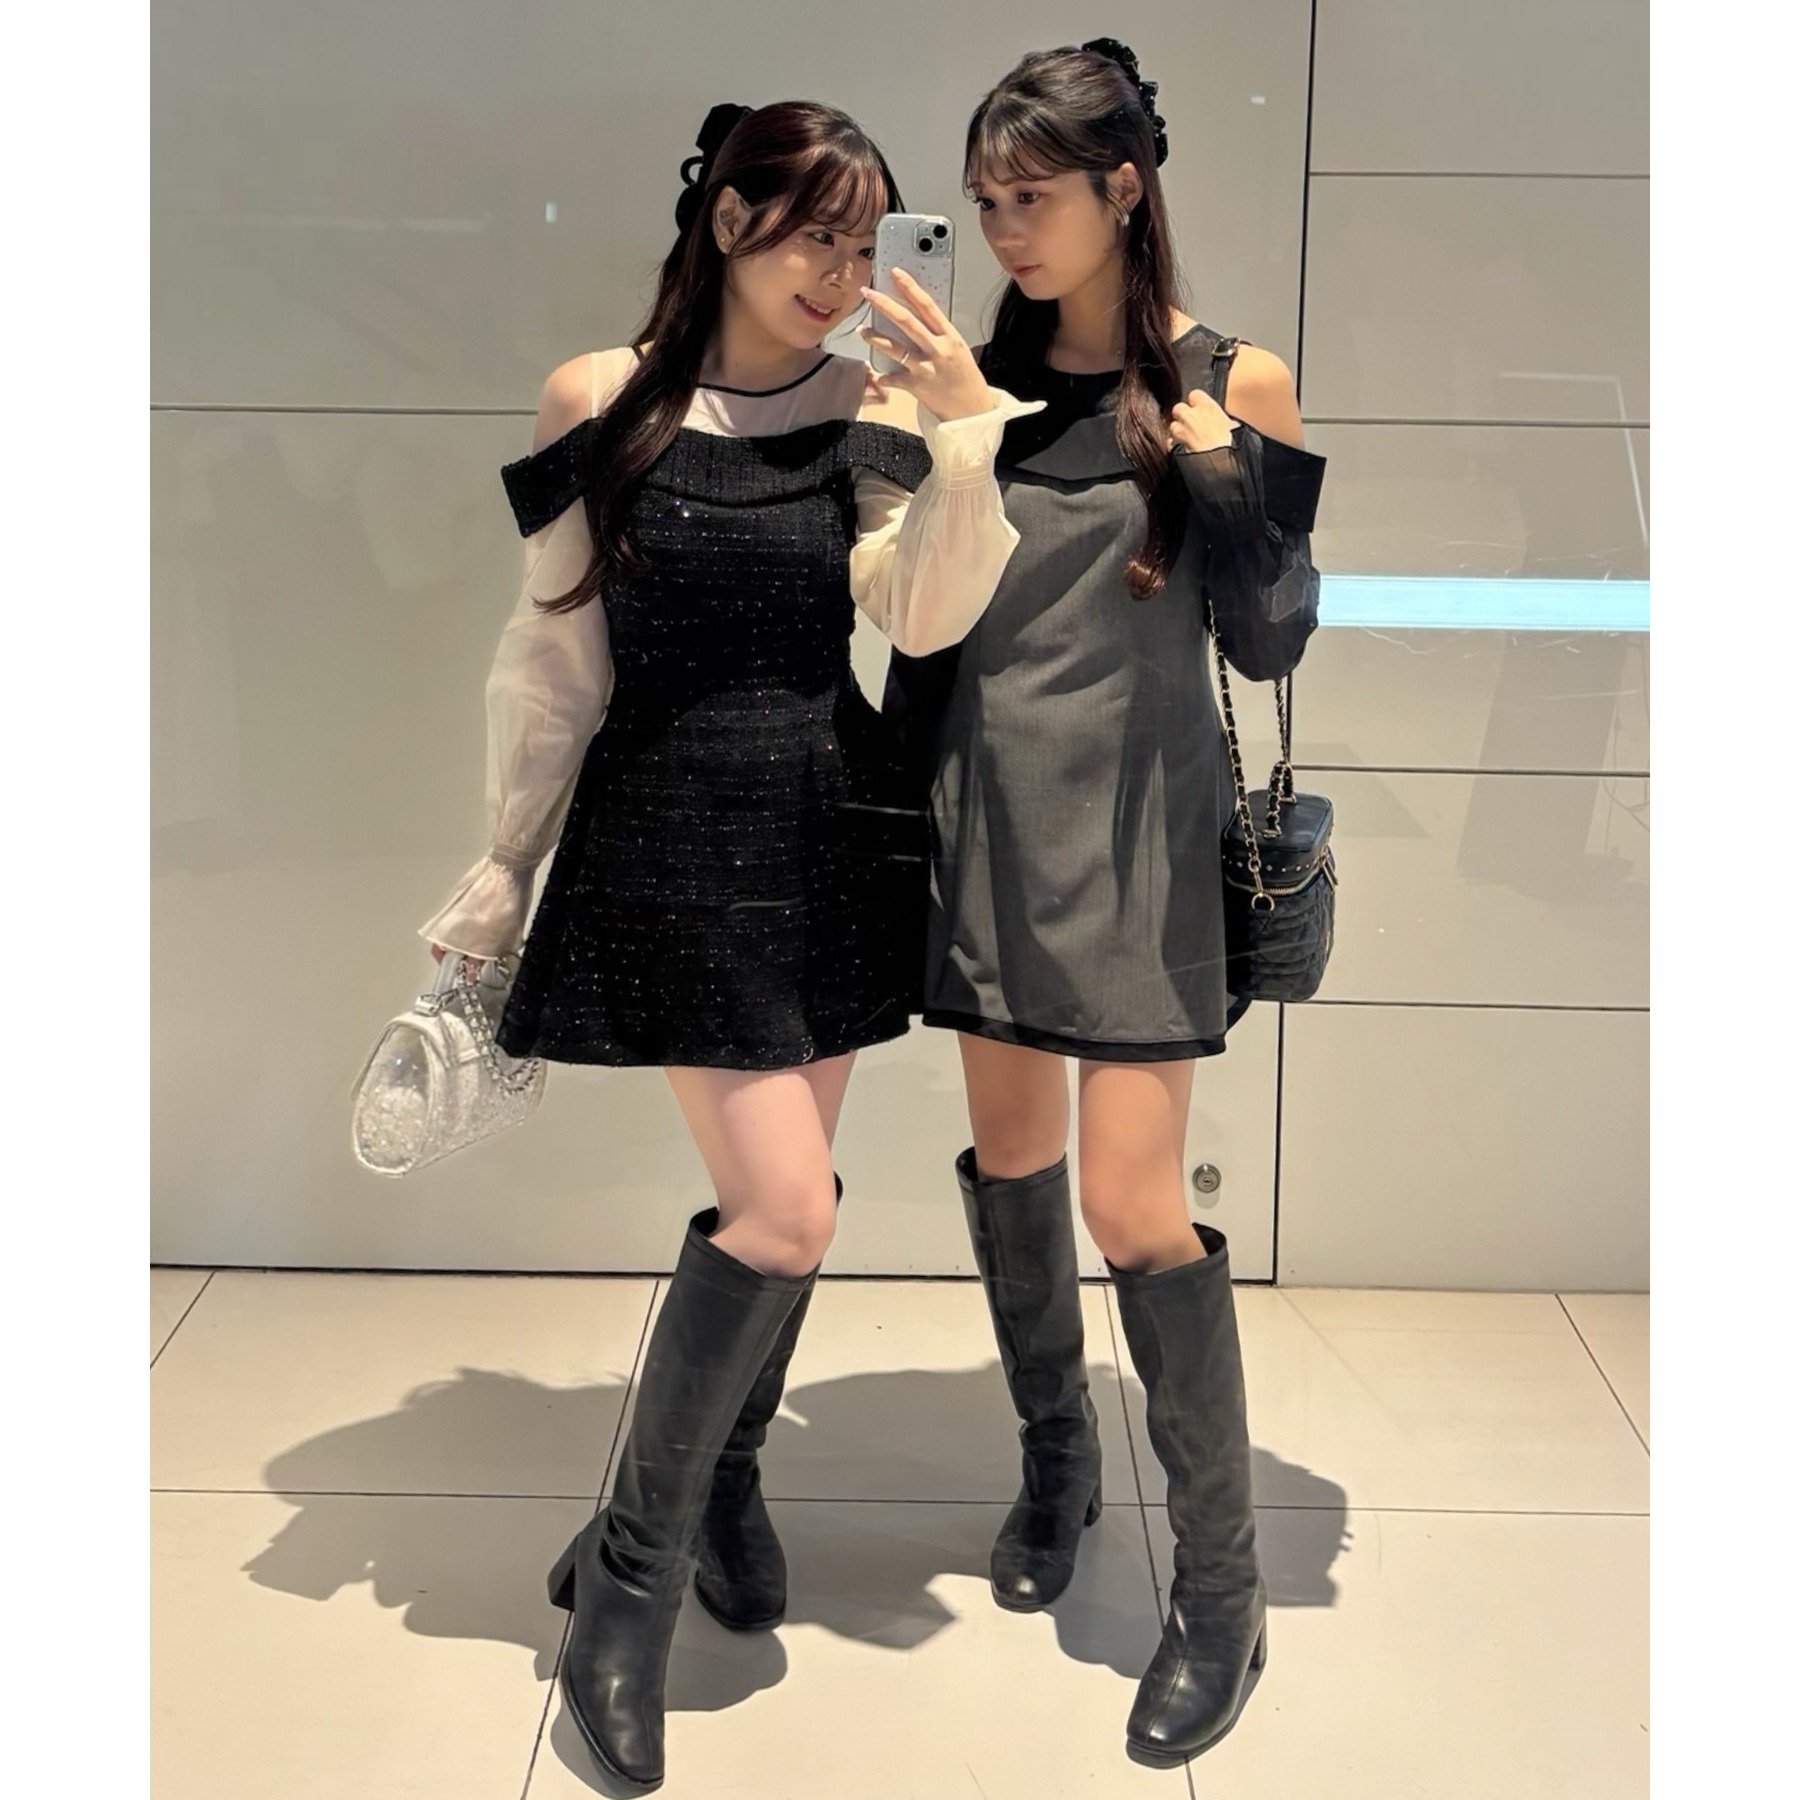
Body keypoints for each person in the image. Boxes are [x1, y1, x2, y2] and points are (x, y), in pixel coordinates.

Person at [420, 99, 1042, 1794]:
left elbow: (920, 616)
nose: (840, 271)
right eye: (812, 233)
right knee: (787, 1210)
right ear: (725, 222)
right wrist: (505, 865)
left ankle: (720, 1486)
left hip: (829, 827)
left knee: (793, 1202)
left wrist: (960, 440)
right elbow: (553, 658)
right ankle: (623, 1591)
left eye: (864, 238)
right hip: (668, 835)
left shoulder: (866, 408)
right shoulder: (597, 400)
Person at [878, 39, 1327, 1768]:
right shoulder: (967, 374)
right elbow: (911, 611)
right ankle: (1056, 1462)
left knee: (1135, 1206)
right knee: (1012, 1164)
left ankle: (1221, 1593)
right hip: (987, 815)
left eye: (1033, 195)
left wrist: (1227, 483)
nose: (1004, 229)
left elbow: (1271, 643)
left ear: (1124, 187)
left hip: (1139, 831)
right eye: (984, 200)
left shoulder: (1233, 377)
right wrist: (932, 427)